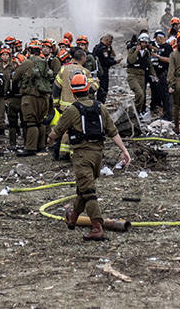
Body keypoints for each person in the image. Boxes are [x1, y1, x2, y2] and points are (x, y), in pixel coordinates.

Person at [48, 73, 131, 241]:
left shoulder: (72, 110)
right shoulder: (100, 107)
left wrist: (48, 139)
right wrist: (124, 150)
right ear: (88, 88)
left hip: (81, 156)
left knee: (89, 192)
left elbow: (56, 133)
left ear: (72, 91)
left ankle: (97, 227)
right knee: (83, 189)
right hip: (97, 155)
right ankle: (73, 218)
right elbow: (113, 131)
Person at [125, 32, 155, 116]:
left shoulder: (146, 53)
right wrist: (137, 51)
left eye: (146, 43)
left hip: (142, 76)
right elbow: (131, 60)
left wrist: (154, 75)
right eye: (143, 42)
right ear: (140, 42)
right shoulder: (133, 50)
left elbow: (150, 64)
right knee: (139, 94)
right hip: (133, 75)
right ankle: (133, 112)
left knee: (142, 97)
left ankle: (137, 112)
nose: (145, 44)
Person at [92, 34, 116, 104]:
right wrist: (115, 62)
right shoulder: (103, 49)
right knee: (103, 89)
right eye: (110, 42)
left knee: (99, 89)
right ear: (106, 40)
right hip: (103, 71)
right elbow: (107, 61)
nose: (110, 44)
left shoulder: (96, 47)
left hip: (97, 71)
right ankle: (101, 105)